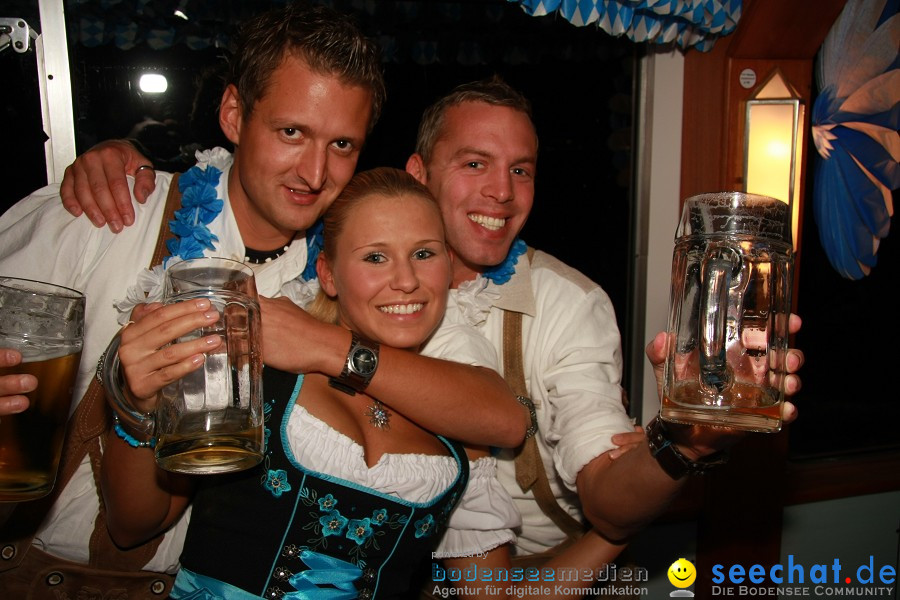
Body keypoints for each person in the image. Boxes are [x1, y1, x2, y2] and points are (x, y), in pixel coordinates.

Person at [52, 78, 805, 576]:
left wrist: (677, 447)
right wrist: (138, 158)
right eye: (475, 163)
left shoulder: (558, 312)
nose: (502, 194)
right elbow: (135, 524)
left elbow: (529, 438)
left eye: (523, 170)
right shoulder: (299, 284)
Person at [0, 8, 529, 597]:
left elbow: (498, 414)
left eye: (342, 144)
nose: (314, 171)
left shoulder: (344, 279)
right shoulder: (110, 214)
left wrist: (326, 343)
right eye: (291, 132)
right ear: (234, 114)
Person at [104, 167, 644, 599]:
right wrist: (135, 409)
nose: (406, 280)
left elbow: (495, 595)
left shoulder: (457, 417)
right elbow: (133, 527)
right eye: (375, 257)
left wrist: (614, 530)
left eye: (425, 254)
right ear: (330, 274)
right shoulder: (262, 369)